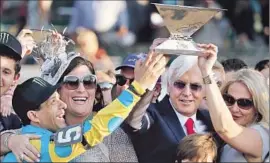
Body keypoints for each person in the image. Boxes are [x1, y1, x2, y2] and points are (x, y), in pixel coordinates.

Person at [1, 52, 168, 162]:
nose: (61, 103)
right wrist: (138, 87)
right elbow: (95, 130)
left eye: (88, 82)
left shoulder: (28, 138)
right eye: (53, 101)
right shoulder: (36, 144)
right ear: (33, 115)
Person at [125, 54, 222, 163]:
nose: (187, 93)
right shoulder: (153, 113)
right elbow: (134, 121)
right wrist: (149, 82)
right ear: (168, 85)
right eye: (180, 85)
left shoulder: (210, 120)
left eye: (195, 86)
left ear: (204, 90)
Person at [197, 43, 269, 162]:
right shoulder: (221, 132)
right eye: (229, 100)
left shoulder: (262, 135)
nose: (234, 108)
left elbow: (224, 128)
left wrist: (206, 72)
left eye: (244, 103)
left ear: (257, 106)